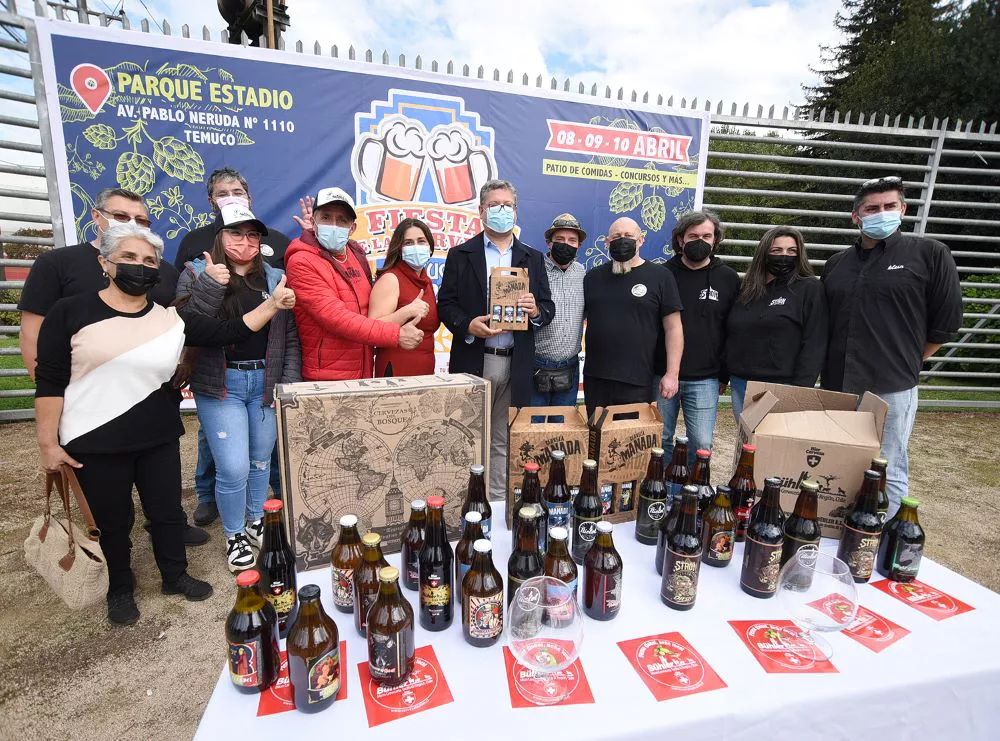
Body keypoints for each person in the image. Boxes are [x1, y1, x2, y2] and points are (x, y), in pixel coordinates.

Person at [33, 223, 297, 626]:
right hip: (93, 437)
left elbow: (231, 330)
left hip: (156, 433)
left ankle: (175, 575)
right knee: (112, 520)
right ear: (105, 263)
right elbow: (50, 380)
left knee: (167, 512)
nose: (139, 267)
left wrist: (273, 304)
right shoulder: (70, 312)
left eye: (148, 260)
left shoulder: (169, 318)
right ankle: (120, 587)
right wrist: (48, 444)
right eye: (128, 258)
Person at [17, 187, 207, 546]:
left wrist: (186, 360)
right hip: (88, 402)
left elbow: (179, 323)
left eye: (141, 220)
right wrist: (52, 406)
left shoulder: (162, 271)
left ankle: (169, 528)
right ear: (97, 217)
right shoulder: (57, 264)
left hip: (149, 400)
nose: (131, 223)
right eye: (121, 216)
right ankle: (116, 555)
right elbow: (32, 336)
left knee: (161, 484)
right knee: (108, 500)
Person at [821, 176, 962, 517]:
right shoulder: (837, 264)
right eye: (872, 208)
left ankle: (883, 537)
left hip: (891, 385)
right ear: (856, 216)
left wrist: (910, 361)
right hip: (838, 385)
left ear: (903, 210)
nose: (881, 213)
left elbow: (946, 323)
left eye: (889, 206)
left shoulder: (929, 254)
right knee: (838, 461)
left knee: (887, 466)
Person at [175, 204, 302, 572]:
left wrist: (286, 384)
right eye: (235, 233)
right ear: (219, 236)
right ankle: (234, 534)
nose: (244, 242)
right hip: (222, 385)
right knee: (232, 468)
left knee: (260, 460)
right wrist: (211, 284)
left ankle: (255, 520)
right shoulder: (196, 272)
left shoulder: (275, 277)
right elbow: (190, 326)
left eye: (252, 235)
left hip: (265, 381)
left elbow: (289, 338)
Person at [437, 179, 554, 499]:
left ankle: (499, 500)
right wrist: (467, 325)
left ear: (516, 211)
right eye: (494, 205)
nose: (502, 210)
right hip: (475, 359)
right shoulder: (460, 254)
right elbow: (445, 304)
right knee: (466, 437)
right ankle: (464, 503)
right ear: (481, 211)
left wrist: (535, 310)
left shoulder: (533, 257)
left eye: (508, 205)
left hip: (515, 362)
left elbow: (548, 307)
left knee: (503, 438)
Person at [284, 187, 424, 381]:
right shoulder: (301, 262)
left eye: (342, 220)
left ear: (352, 228)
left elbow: (369, 309)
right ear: (314, 223)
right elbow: (337, 318)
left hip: (364, 371)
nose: (334, 225)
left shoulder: (356, 253)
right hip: (327, 378)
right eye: (326, 218)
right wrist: (396, 334)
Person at [658, 211, 740, 468]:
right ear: (680, 239)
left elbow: (732, 329)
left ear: (715, 240)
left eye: (707, 236)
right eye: (693, 236)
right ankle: (660, 486)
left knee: (702, 443)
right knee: (660, 440)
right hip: (661, 374)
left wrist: (724, 375)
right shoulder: (662, 274)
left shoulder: (728, 278)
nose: (700, 241)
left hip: (706, 378)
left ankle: (692, 489)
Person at [583, 217, 683, 420]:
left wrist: (672, 374)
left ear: (641, 240)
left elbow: (673, 328)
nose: (622, 240)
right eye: (616, 236)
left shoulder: (660, 276)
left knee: (630, 438)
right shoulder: (592, 277)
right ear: (607, 242)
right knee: (596, 435)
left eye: (629, 236)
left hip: (637, 380)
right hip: (596, 378)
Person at [726, 226, 828, 420]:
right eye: (777, 250)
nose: (784, 256)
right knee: (746, 438)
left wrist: (800, 391)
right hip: (741, 383)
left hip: (782, 387)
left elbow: (815, 343)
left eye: (791, 251)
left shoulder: (809, 288)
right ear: (764, 253)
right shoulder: (748, 290)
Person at [172, 167, 291, 271]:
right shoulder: (194, 240)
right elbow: (180, 285)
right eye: (222, 195)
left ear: (249, 199)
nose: (231, 199)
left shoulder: (278, 241)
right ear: (211, 201)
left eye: (238, 193)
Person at [530, 213, 587, 408]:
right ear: (549, 243)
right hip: (536, 365)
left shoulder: (581, 273)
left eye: (572, 240)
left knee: (563, 425)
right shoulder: (534, 270)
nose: (566, 244)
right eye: (560, 239)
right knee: (533, 424)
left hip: (570, 366)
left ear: (579, 245)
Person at [369, 217, 438, 376]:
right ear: (399, 249)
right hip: (396, 372)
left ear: (430, 248)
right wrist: (406, 312)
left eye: (421, 241)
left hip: (425, 371)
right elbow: (372, 328)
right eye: (408, 243)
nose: (416, 247)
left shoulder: (425, 281)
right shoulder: (391, 279)